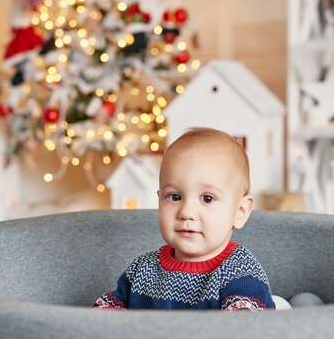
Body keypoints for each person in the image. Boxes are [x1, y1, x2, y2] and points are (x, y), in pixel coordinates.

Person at [94, 127, 275, 311]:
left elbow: (246, 330)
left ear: (240, 211)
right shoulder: (143, 270)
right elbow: (105, 316)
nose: (186, 212)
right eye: (174, 197)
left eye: (207, 198)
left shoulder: (239, 271)